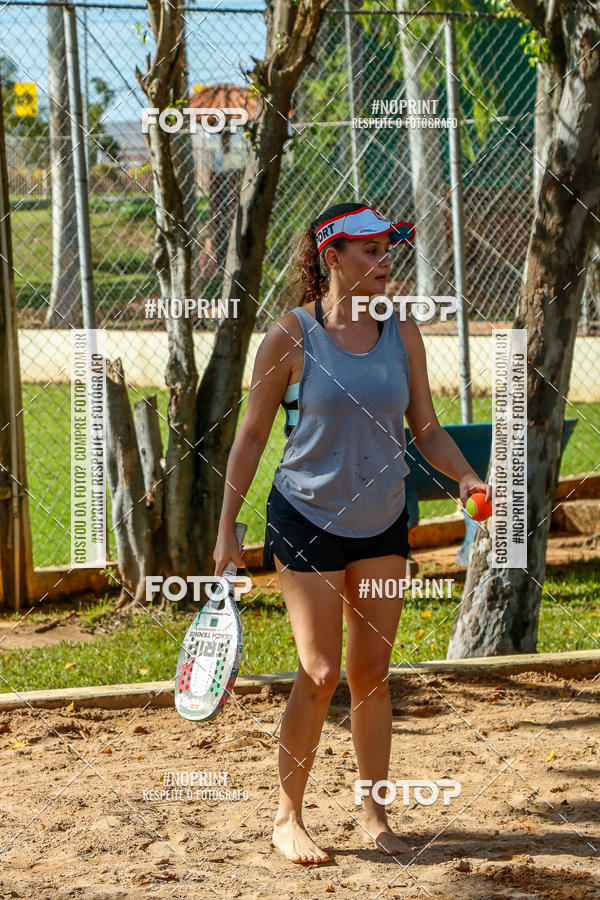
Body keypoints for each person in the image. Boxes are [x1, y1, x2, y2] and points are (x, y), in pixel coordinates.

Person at [213, 202, 491, 864]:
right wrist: (228, 529)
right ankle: (288, 817)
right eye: (368, 250)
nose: (384, 259)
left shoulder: (404, 331)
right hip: (305, 516)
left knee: (371, 672)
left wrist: (466, 477)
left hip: (382, 520)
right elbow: (252, 434)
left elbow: (425, 428)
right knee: (319, 669)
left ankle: (374, 814)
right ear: (331, 258)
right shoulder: (292, 335)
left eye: (388, 248)